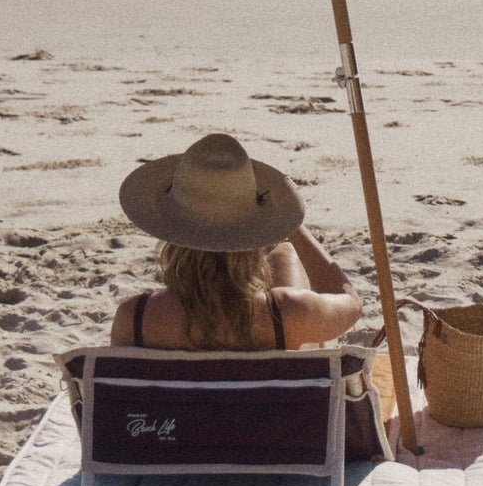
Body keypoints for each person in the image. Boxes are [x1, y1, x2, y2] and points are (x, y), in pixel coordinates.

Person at [110, 133, 361, 351]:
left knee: (285, 257)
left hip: (176, 406)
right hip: (272, 404)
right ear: (253, 234)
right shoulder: (289, 313)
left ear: (173, 235)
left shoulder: (135, 317)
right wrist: (294, 226)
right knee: (289, 255)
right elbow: (350, 303)